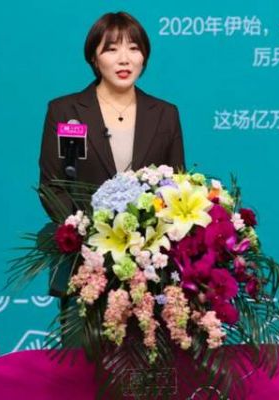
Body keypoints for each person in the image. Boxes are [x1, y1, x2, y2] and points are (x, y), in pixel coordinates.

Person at [38, 12, 186, 301]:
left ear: (144, 56)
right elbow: (52, 187)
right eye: (111, 49)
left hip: (148, 268)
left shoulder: (165, 114)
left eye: (134, 48)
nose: (124, 59)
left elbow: (174, 187)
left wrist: (142, 239)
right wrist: (91, 232)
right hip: (84, 263)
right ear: (94, 58)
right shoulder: (66, 111)